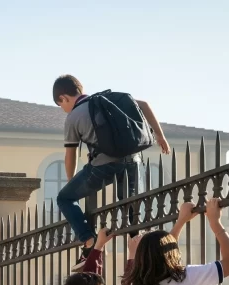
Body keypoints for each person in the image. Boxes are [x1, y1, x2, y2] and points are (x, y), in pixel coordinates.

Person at [52, 74, 170, 269]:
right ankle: (141, 255)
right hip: (133, 161)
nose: (63, 110)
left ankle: (90, 242)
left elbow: (70, 155)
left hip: (102, 167)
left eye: (61, 105)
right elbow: (145, 104)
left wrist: (71, 180)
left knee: (64, 198)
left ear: (64, 97)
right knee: (131, 208)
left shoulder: (74, 117)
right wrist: (160, 135)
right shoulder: (110, 99)